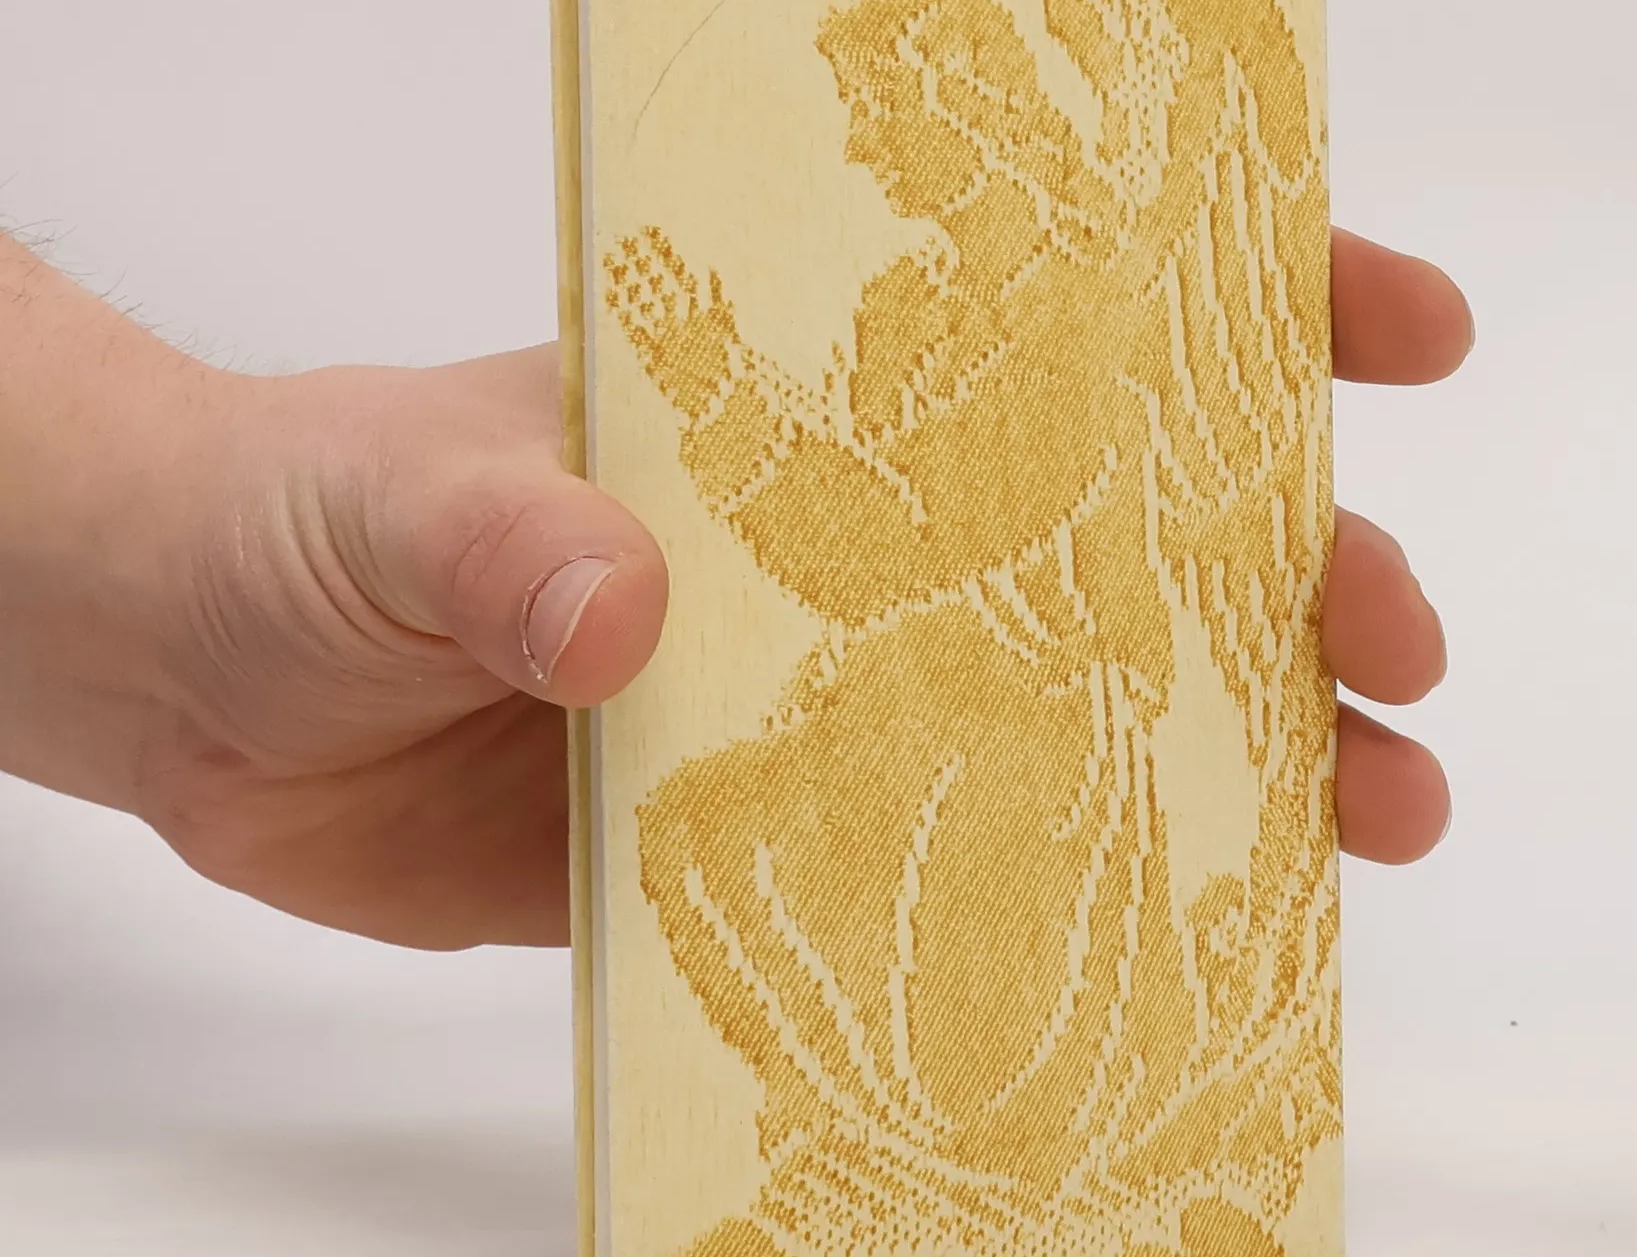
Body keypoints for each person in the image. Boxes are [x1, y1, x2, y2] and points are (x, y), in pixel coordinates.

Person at [0, 225, 1468, 952]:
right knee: (705, 838)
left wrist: (718, 390)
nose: (884, 146)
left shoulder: (1074, 308)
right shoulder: (921, 299)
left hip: (1023, 706)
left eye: (911, 108)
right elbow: (874, 536)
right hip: (911, 685)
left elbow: (894, 545)